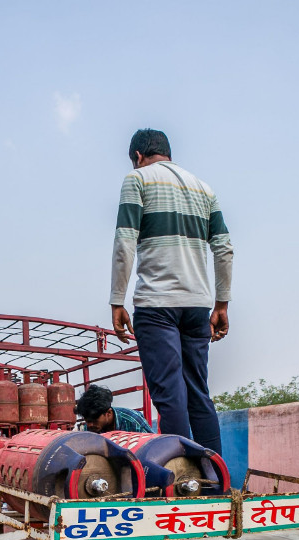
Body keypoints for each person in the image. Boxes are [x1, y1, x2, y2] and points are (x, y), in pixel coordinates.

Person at [108, 128, 232, 454]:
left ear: (137, 156)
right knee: (198, 392)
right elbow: (223, 248)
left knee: (170, 395)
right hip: (197, 305)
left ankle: (184, 477)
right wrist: (221, 304)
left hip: (156, 304)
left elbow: (124, 241)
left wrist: (117, 300)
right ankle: (214, 477)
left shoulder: (137, 180)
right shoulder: (204, 189)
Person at [75, 385, 153, 434]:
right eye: (88, 421)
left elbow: (153, 445)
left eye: (95, 420)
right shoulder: (89, 428)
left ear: (108, 413)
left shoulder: (133, 421)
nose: (90, 425)